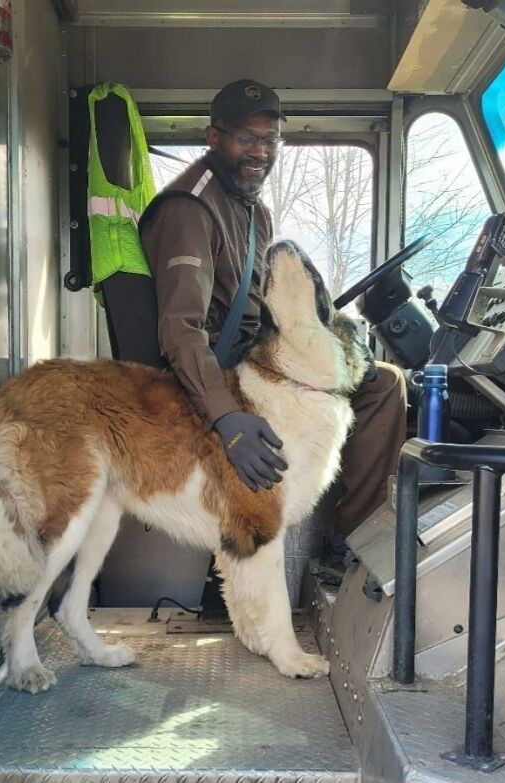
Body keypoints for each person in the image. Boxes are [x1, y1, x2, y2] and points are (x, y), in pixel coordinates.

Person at [139, 78, 407, 537]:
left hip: (254, 359)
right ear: (214, 137)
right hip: (219, 375)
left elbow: (264, 304)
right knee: (381, 388)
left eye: (269, 139)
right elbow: (180, 332)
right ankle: (355, 540)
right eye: (246, 138)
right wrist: (228, 418)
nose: (260, 151)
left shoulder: (251, 208)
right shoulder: (190, 208)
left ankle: (359, 540)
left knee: (379, 380)